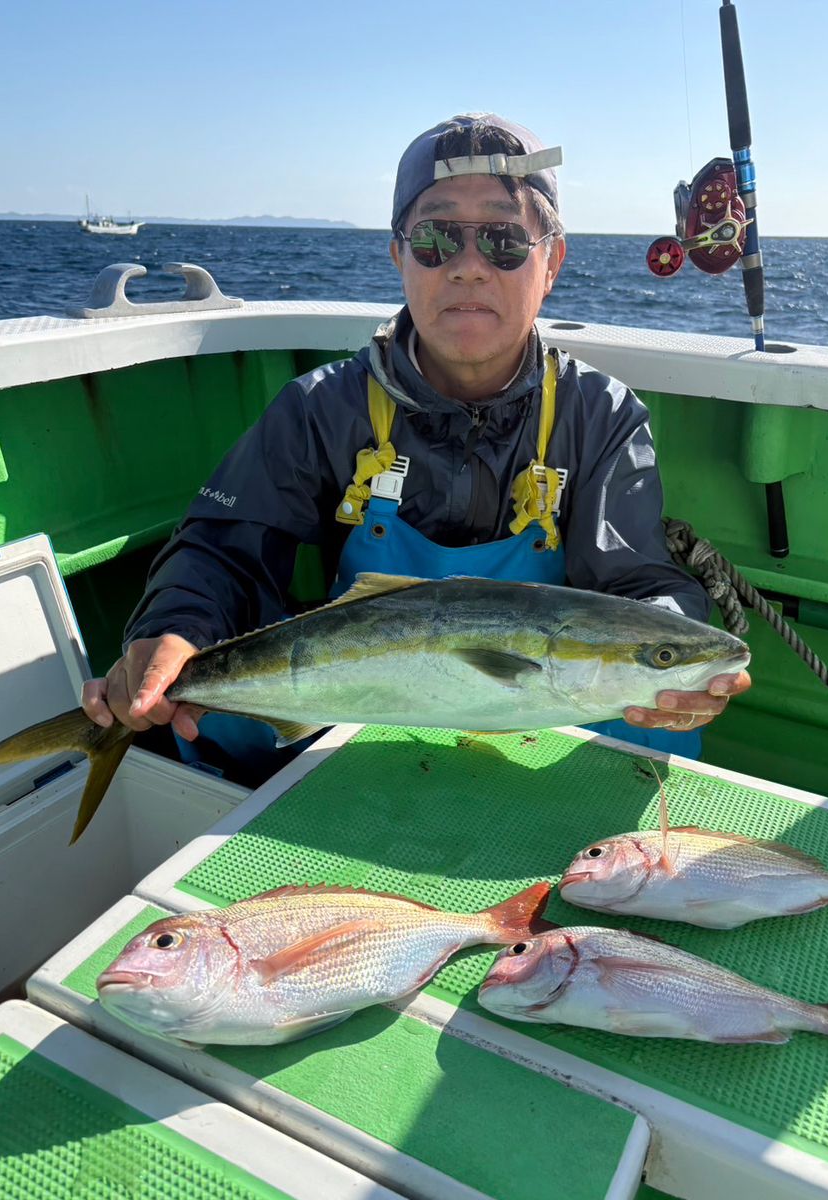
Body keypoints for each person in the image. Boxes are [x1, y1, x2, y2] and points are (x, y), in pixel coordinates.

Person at [82, 112, 750, 779]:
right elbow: (223, 552)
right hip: (359, 706)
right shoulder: (321, 409)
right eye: (434, 238)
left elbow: (638, 584)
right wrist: (174, 627)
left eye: (505, 240)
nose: (467, 268)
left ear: (552, 262)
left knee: (651, 715)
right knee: (212, 709)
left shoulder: (598, 415)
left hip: (533, 718)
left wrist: (673, 643)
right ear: (398, 253)